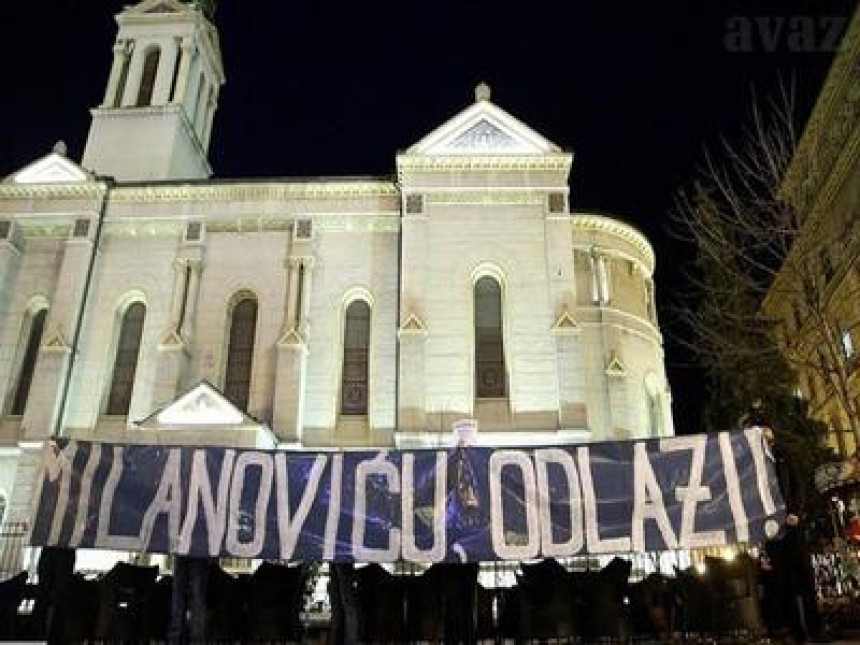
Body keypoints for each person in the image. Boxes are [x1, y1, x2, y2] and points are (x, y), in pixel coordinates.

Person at [743, 409, 830, 643]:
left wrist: (796, 513)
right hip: (772, 532)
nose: (763, 433)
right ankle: (796, 632)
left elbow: (798, 485)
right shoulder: (752, 464)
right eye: (757, 430)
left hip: (792, 525)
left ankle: (815, 629)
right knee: (783, 582)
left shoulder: (783, 455)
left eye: (764, 428)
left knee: (805, 577)